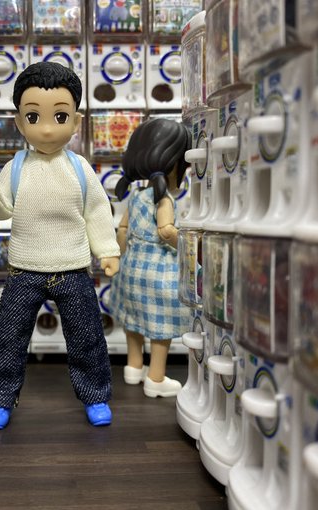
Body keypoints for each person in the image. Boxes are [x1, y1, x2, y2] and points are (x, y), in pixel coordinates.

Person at [0, 62, 120, 429]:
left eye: (60, 116)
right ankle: (0, 399)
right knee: (8, 337)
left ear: (77, 121)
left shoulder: (79, 167)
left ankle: (95, 395)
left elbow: (97, 210)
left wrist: (107, 249)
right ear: (19, 123)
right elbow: (0, 210)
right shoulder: (17, 166)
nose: (48, 128)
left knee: (87, 336)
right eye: (33, 117)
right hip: (24, 269)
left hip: (73, 268)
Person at [108, 118, 192, 398]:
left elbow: (122, 229)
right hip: (158, 269)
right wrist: (189, 246)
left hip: (131, 266)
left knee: (133, 318)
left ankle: (134, 367)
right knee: (160, 325)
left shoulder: (136, 195)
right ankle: (155, 378)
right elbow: (166, 231)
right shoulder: (164, 198)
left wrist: (120, 257)